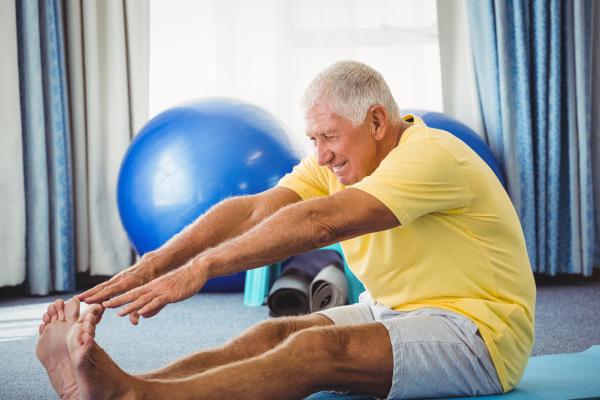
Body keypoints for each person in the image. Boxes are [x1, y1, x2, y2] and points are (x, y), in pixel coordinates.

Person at [36, 61, 536, 400]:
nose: (321, 155)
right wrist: (157, 262)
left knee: (313, 352)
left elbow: (321, 222)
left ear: (378, 122)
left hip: (479, 335)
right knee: (270, 333)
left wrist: (203, 268)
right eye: (314, 139)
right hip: (394, 310)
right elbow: (254, 211)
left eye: (330, 137)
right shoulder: (340, 162)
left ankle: (136, 397)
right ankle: (126, 384)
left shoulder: (431, 156)